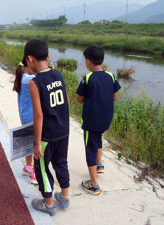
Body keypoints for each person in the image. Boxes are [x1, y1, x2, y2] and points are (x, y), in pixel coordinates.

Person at [25, 39, 70, 216]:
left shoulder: (34, 83)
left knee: (42, 167)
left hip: (47, 135)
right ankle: (65, 197)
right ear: (48, 56)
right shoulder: (57, 74)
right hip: (63, 131)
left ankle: (49, 204)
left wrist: (36, 143)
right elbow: (66, 100)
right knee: (61, 163)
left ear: (30, 59)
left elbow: (38, 115)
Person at [76, 44, 121, 196]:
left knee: (90, 147)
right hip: (106, 118)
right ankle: (99, 164)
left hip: (91, 121)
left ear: (88, 61)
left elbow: (79, 100)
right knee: (98, 138)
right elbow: (115, 97)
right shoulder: (111, 76)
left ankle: (93, 184)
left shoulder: (87, 78)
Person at [13, 57, 37, 185]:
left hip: (25, 115)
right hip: (33, 116)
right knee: (37, 144)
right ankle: (36, 174)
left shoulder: (21, 77)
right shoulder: (30, 79)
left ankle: (28, 166)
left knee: (29, 142)